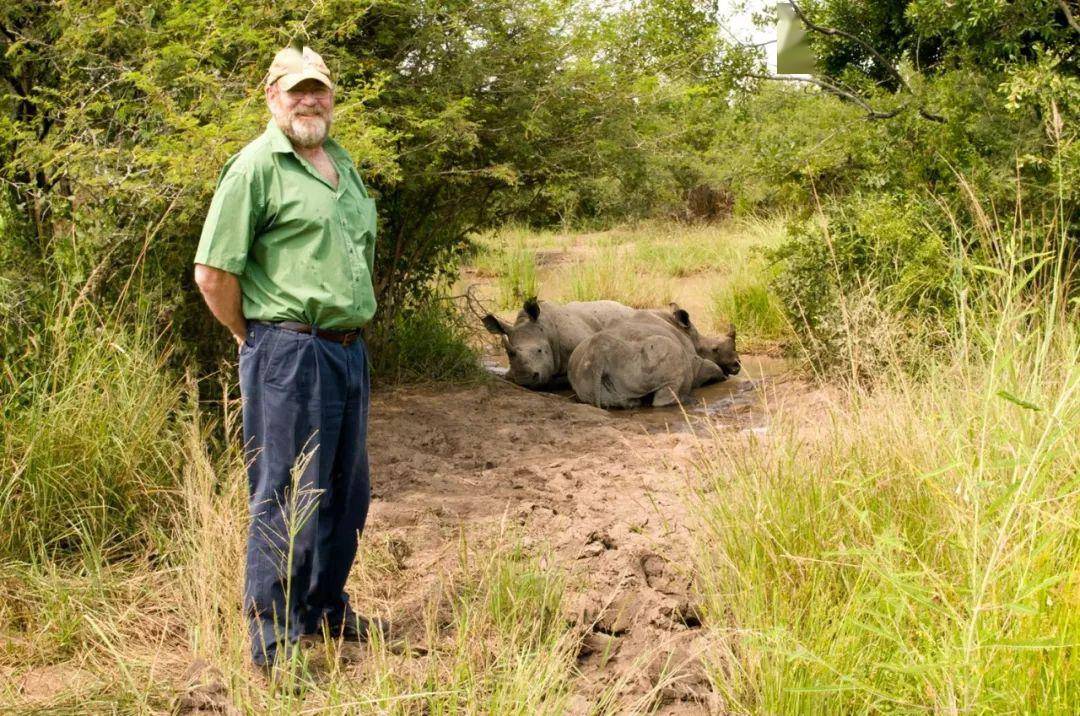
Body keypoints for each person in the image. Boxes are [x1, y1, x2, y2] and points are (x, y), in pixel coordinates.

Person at [193, 45, 382, 674]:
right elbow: (214, 272)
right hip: (287, 349)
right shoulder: (254, 168)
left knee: (346, 495)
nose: (309, 100)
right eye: (295, 90)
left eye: (319, 90)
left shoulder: (343, 164)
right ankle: (273, 641)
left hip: (347, 350)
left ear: (332, 97)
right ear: (272, 97)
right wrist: (251, 338)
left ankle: (326, 607)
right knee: (286, 494)